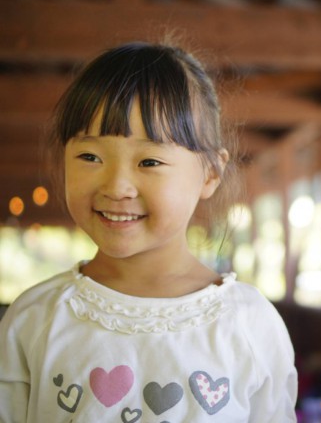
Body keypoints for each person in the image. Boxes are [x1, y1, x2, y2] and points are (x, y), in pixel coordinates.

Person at [0, 42, 297, 422]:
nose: (117, 186)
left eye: (150, 160)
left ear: (210, 174)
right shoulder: (34, 319)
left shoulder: (250, 324)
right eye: (90, 157)